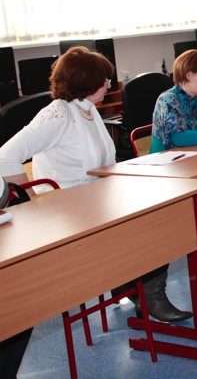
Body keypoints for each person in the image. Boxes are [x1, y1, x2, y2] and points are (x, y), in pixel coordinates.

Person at [0, 47, 132, 373]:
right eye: (104, 79)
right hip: (66, 213)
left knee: (147, 221)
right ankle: (141, 292)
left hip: (94, 203)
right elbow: (6, 156)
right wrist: (32, 198)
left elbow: (103, 162)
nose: (109, 84)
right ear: (85, 80)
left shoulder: (88, 108)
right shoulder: (58, 114)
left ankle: (139, 289)